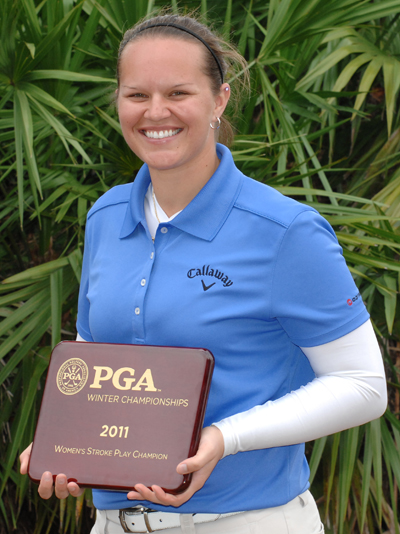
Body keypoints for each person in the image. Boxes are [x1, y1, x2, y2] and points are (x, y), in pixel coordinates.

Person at [20, 13, 387, 534]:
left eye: (178, 92)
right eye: (136, 95)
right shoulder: (105, 215)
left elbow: (363, 385)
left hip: (245, 520)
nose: (155, 112)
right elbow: (92, 349)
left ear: (219, 100)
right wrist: (66, 435)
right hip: (112, 522)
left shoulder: (286, 232)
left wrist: (223, 438)